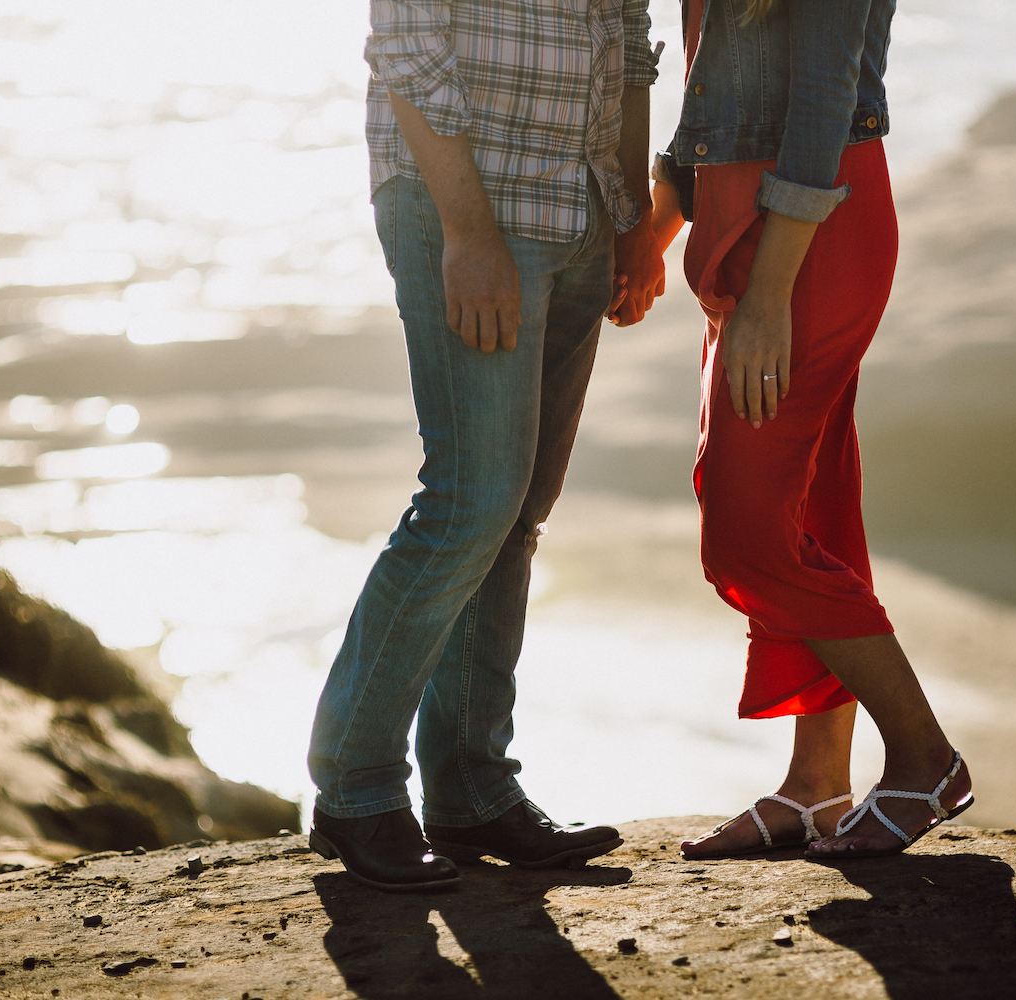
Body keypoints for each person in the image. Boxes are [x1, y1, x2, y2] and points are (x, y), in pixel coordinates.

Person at [306, 0, 667, 892]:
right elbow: (406, 46)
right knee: (471, 500)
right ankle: (354, 789)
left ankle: (471, 789)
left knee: (514, 516)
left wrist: (626, 214)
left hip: (581, 210)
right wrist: (467, 230)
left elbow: (626, 45)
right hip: (470, 207)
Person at [647, 0, 974, 860]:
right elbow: (711, 78)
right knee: (809, 505)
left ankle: (925, 758)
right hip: (747, 218)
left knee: (746, 532)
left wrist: (768, 296)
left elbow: (826, 93)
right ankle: (818, 785)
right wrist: (662, 221)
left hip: (807, 237)